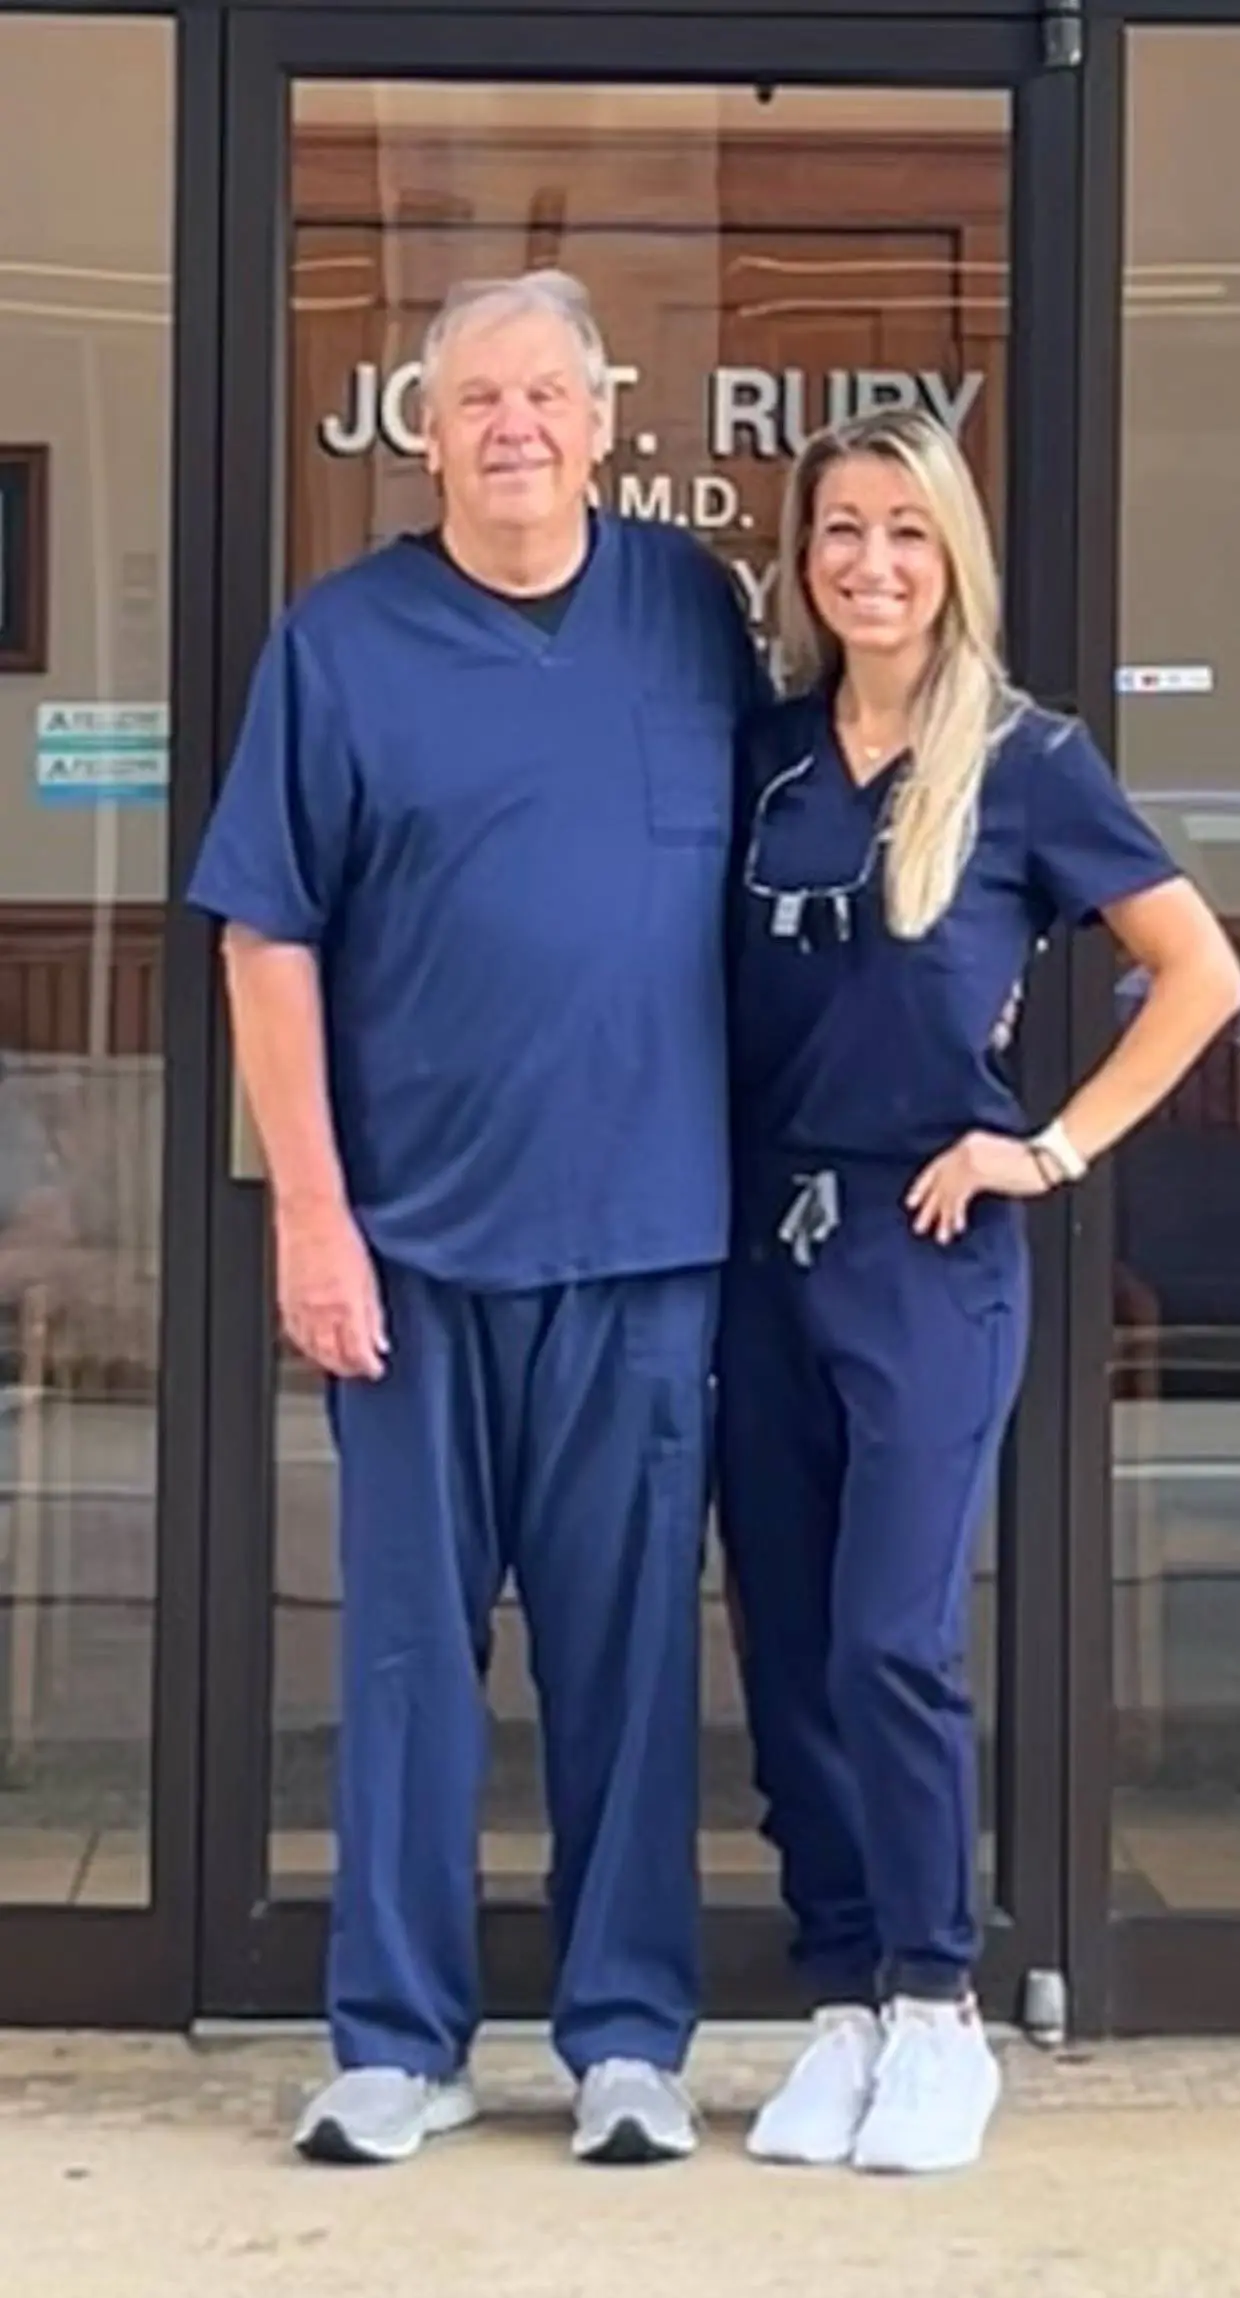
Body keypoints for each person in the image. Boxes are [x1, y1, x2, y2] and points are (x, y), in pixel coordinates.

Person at [186, 269, 763, 2167]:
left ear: (608, 420)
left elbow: (803, 854)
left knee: (627, 1666)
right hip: (415, 1250)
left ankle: (623, 2039)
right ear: (417, 432)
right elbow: (267, 941)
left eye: (549, 394)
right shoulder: (341, 644)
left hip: (646, 1240)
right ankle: (397, 2037)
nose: (514, 427)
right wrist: (312, 1222)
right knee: (413, 1667)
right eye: (475, 400)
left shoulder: (691, 613)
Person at [715, 409, 1240, 2175]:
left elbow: (1199, 974)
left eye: (907, 535)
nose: (870, 563)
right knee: (788, 1652)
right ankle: (846, 1999)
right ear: (802, 558)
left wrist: (1055, 1146)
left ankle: (942, 2002)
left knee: (888, 1638)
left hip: (926, 1253)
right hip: (757, 1255)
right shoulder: (767, 756)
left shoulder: (1027, 762)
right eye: (840, 531)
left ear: (955, 561)